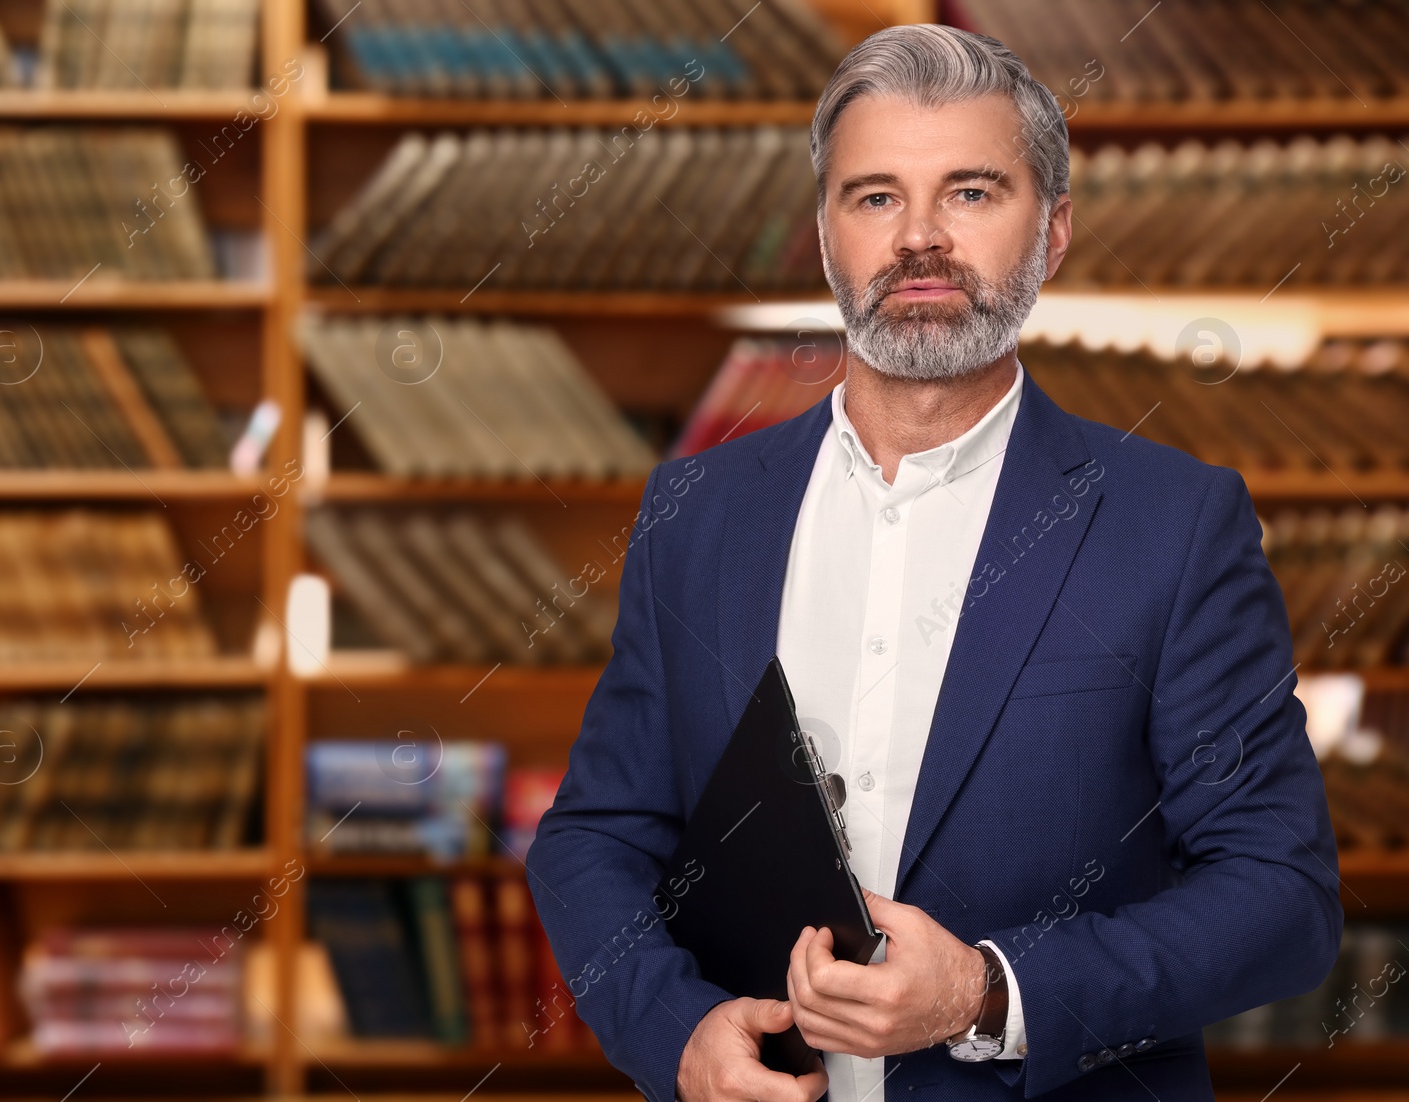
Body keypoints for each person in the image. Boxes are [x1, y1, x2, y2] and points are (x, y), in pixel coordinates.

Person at [525, 24, 1341, 1102]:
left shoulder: (1175, 524)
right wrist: (676, 1033)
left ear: (1050, 233)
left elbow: (1282, 896)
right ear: (824, 236)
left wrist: (989, 992)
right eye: (873, 197)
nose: (918, 238)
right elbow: (594, 836)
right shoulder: (695, 510)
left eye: (968, 193)